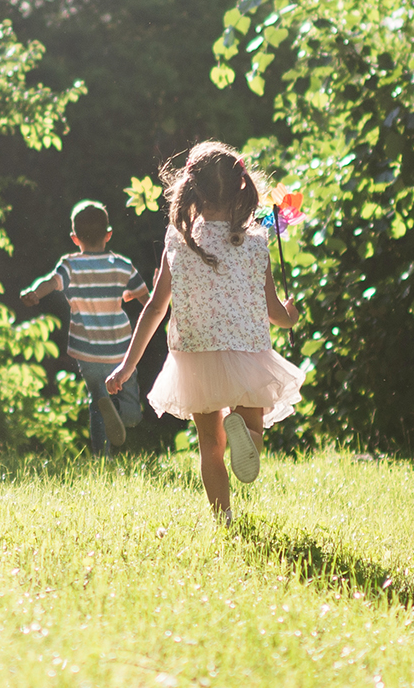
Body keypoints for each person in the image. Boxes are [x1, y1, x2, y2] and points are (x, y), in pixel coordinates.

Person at [107, 141, 304, 525]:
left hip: (196, 356)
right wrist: (291, 317)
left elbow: (155, 309)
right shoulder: (255, 243)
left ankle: (223, 519)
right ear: (241, 190)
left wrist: (127, 366)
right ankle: (246, 435)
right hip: (247, 353)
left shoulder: (179, 242)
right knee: (253, 431)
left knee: (210, 448)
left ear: (191, 192)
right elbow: (274, 311)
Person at [22, 200, 149, 456]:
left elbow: (51, 282)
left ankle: (101, 458)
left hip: (89, 354)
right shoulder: (122, 265)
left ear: (74, 238)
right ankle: (121, 415)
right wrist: (146, 293)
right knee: (132, 414)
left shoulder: (70, 265)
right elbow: (149, 304)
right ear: (109, 234)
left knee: (97, 403)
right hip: (121, 352)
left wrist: (35, 293)